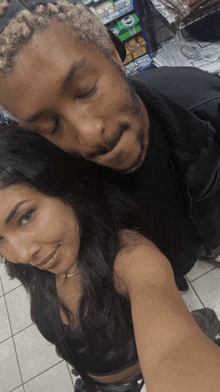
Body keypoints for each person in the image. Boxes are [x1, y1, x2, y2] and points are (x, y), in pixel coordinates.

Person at [1, 1, 220, 292]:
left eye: (86, 90)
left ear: (113, 53)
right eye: (51, 126)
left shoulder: (202, 104)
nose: (90, 134)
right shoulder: (56, 183)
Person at [1, 124, 220, 392]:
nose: (21, 254)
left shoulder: (131, 259)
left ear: (64, 185)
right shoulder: (37, 258)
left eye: (26, 217)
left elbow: (176, 359)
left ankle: (203, 323)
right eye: (0, 240)